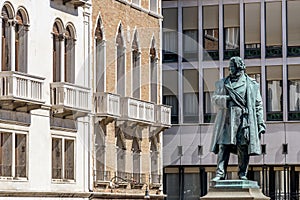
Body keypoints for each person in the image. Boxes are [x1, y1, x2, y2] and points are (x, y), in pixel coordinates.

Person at [210, 57, 266, 181]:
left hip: (243, 119)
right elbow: (214, 99)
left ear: (240, 68)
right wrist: (227, 99)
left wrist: (260, 123)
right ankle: (220, 173)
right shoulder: (223, 83)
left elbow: (258, 105)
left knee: (243, 147)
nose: (230, 69)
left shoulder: (251, 84)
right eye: (229, 67)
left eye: (233, 67)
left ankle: (242, 173)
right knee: (223, 146)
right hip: (226, 119)